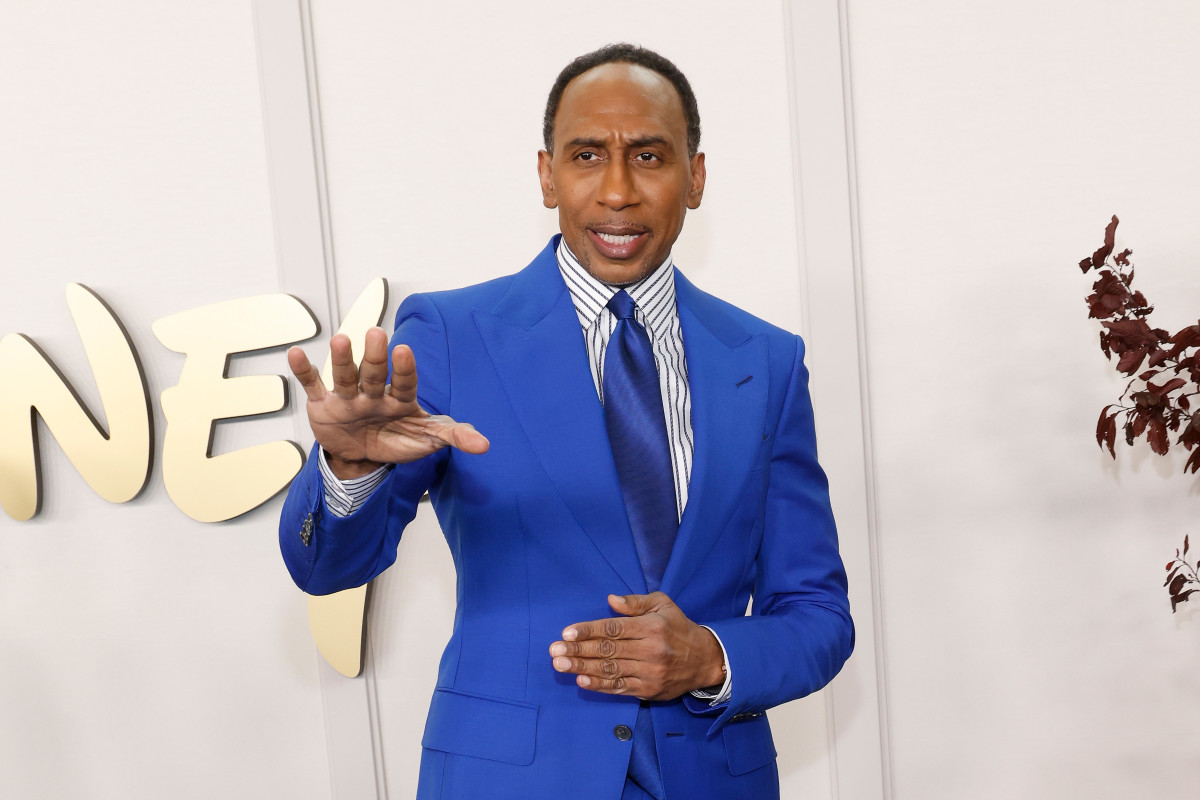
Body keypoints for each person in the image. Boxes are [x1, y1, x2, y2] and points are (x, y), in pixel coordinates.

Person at [280, 43, 853, 800]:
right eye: (587, 156)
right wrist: (351, 471)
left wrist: (710, 656)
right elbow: (327, 569)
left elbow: (817, 613)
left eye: (648, 156)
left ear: (695, 177)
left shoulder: (766, 361)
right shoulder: (453, 335)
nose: (617, 191)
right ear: (547, 175)